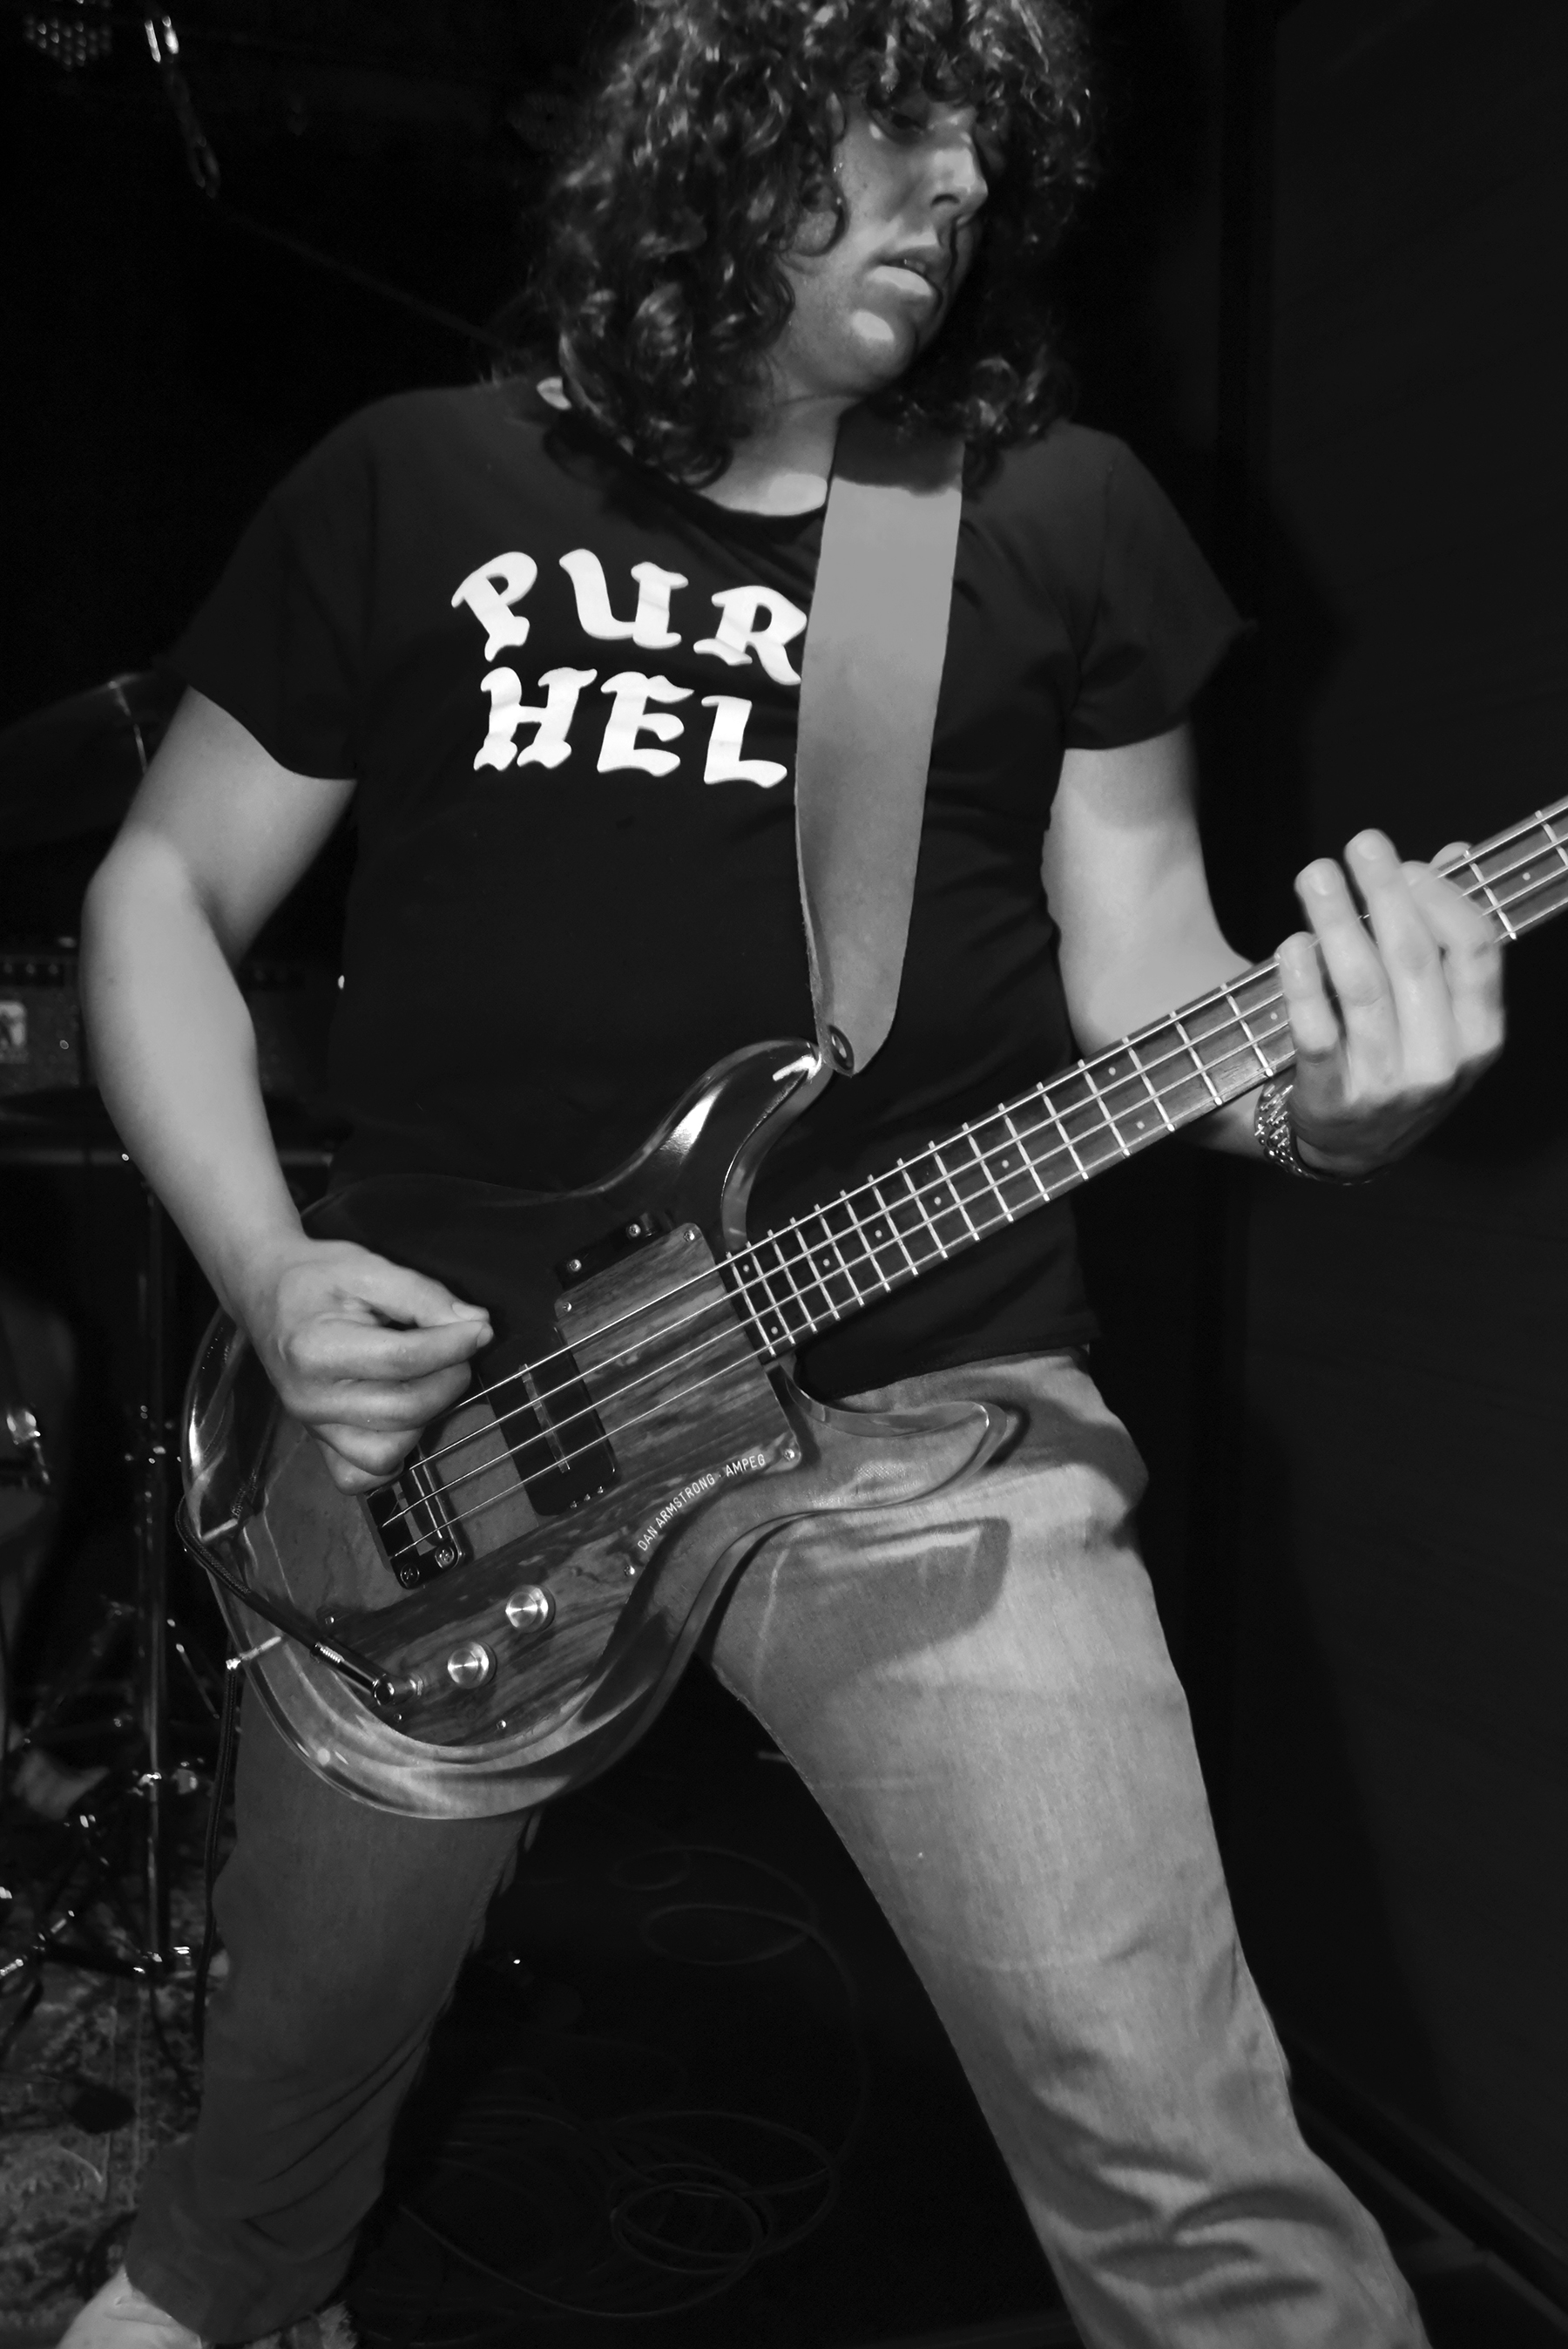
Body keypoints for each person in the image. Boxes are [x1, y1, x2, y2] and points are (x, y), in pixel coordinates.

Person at [64, 2, 1504, 2344]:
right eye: (904, 115)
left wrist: (1328, 1099)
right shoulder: (412, 483)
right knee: (286, 2093)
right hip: (457, 1441)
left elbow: (1153, 971)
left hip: (932, 1424)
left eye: (991, 145)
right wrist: (266, 1262)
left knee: (1183, 2165)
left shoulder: (1059, 520)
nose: (963, 184)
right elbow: (159, 893)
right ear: (720, 122)